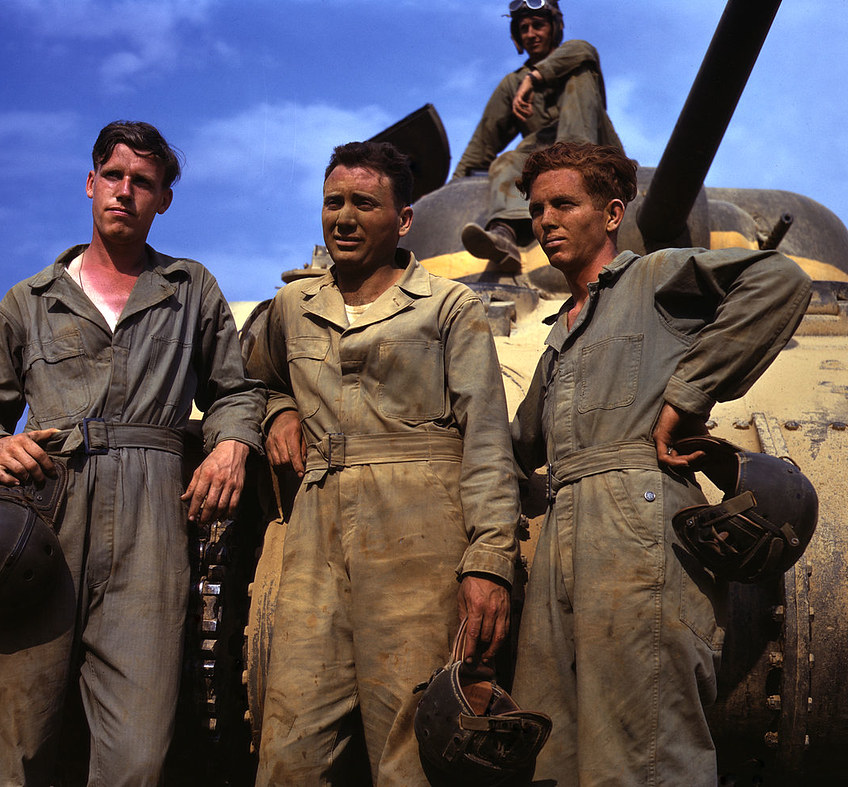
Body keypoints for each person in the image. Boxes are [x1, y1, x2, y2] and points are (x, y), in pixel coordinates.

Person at [0, 120, 264, 785]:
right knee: (16, 743)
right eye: (113, 177)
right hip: (41, 522)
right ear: (90, 185)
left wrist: (232, 443)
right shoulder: (29, 302)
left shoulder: (189, 289)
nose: (125, 192)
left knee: (138, 752)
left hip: (153, 526)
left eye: (142, 182)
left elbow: (235, 391)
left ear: (163, 200)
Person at [508, 141, 812, 784]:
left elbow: (779, 280)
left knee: (644, 749)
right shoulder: (558, 335)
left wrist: (689, 392)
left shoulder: (655, 277)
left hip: (639, 530)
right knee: (549, 755)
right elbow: (516, 449)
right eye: (536, 209)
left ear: (613, 213)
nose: (545, 221)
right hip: (563, 538)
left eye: (564, 204)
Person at [247, 141, 521, 784]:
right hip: (317, 537)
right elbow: (249, 379)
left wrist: (488, 561)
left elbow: (486, 441)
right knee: (290, 751)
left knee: (410, 752)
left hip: (419, 534)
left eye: (363, 204)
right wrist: (277, 411)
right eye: (333, 202)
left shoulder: (448, 309)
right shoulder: (293, 308)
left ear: (403, 221)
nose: (343, 217)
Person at [454, 0, 624, 272]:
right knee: (507, 161)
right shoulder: (512, 84)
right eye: (523, 28)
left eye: (538, 25)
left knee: (579, 72)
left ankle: (572, 161)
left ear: (554, 27)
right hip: (547, 163)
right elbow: (482, 144)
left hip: (596, 160)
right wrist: (450, 191)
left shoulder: (577, 57)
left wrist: (534, 78)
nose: (531, 34)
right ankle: (505, 235)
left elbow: (584, 49)